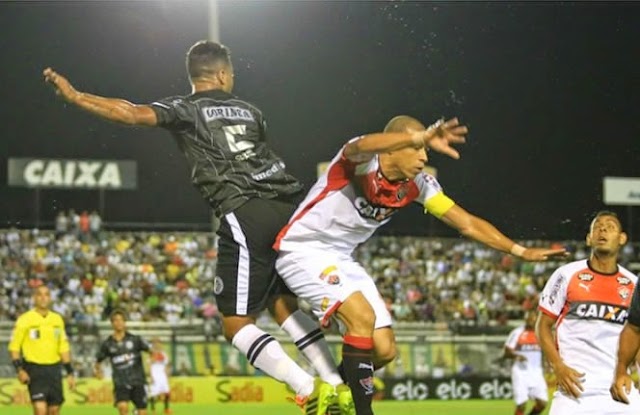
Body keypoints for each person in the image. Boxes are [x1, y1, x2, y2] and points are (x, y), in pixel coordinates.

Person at [44, 40, 349, 413]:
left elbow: (131, 113)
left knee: (235, 324)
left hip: (245, 210)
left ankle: (309, 388)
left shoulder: (185, 108)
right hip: (290, 208)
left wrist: (76, 96)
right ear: (222, 74)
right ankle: (337, 383)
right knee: (281, 303)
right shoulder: (252, 112)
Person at [274, 115, 566, 415]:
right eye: (417, 149)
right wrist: (418, 137)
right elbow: (359, 145)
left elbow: (465, 223)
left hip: (342, 257)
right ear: (392, 149)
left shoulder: (419, 185)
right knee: (361, 316)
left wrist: (519, 250)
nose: (424, 157)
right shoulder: (360, 162)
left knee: (385, 350)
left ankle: (330, 393)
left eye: (425, 150)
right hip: (303, 248)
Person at [537, 211, 640, 414]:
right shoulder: (566, 275)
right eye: (597, 226)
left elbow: (637, 335)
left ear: (622, 239)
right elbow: (542, 325)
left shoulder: (634, 284)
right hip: (575, 391)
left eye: (610, 226)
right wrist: (558, 366)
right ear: (589, 238)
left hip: (620, 390)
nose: (603, 229)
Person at [8, 285, 76, 415]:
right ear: (34, 298)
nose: (43, 298)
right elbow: (14, 346)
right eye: (40, 294)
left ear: (50, 298)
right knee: (40, 410)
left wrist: (70, 372)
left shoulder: (57, 319)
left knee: (54, 410)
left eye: (46, 294)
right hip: (34, 369)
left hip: (54, 369)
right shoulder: (25, 319)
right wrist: (19, 369)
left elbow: (63, 346)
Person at [94, 309, 151, 415]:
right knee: (122, 407)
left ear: (125, 322)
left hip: (137, 380)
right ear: (112, 323)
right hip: (120, 382)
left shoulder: (135, 339)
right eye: (115, 320)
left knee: (142, 412)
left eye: (121, 320)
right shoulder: (108, 344)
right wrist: (98, 371)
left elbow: (151, 350)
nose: (119, 322)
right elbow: (98, 360)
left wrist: (151, 364)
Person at [503, 310, 547, 415]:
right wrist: (516, 355)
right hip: (520, 373)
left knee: (542, 403)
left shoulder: (540, 333)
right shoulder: (517, 332)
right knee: (522, 405)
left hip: (536, 372)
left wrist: (546, 364)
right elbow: (506, 352)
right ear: (525, 319)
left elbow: (544, 350)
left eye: (533, 318)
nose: (531, 320)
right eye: (529, 318)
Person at [148, 338, 172, 415]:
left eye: (158, 343)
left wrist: (167, 374)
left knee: (167, 392)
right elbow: (150, 365)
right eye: (155, 343)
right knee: (153, 393)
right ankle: (153, 409)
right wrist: (151, 376)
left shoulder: (164, 354)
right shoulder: (151, 354)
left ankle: (166, 408)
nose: (157, 344)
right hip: (155, 375)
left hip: (162, 375)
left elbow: (167, 364)